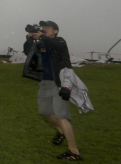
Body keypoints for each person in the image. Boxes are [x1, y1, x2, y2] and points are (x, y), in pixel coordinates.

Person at [35, 21, 82, 161]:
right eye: (43, 28)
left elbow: (57, 45)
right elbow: (28, 52)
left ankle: (74, 151)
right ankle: (61, 132)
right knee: (45, 112)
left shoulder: (60, 41)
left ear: (55, 31)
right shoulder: (43, 43)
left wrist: (43, 37)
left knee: (61, 116)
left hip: (60, 83)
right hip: (45, 82)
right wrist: (30, 38)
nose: (44, 29)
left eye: (48, 28)